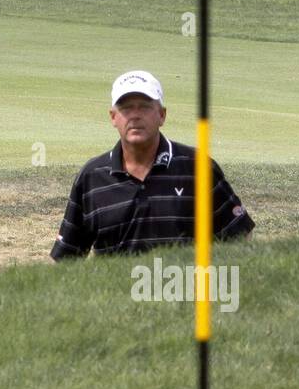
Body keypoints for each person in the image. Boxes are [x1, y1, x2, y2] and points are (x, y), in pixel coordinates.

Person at [50, 70, 254, 259]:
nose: (135, 115)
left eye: (145, 107)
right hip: (116, 297)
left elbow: (239, 238)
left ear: (162, 115)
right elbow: (67, 259)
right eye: (126, 108)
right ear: (113, 117)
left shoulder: (198, 167)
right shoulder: (92, 177)